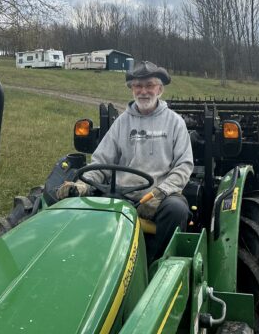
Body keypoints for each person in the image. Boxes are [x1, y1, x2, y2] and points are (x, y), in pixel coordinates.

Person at [57, 60, 193, 260]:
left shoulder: (175, 122)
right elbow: (101, 160)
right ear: (132, 90)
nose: (143, 91)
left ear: (160, 89)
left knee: (177, 210)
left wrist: (160, 193)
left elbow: (184, 165)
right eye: (138, 86)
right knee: (97, 209)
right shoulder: (122, 123)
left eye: (149, 86)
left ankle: (152, 263)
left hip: (161, 195)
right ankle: (108, 261)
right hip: (124, 194)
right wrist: (82, 185)